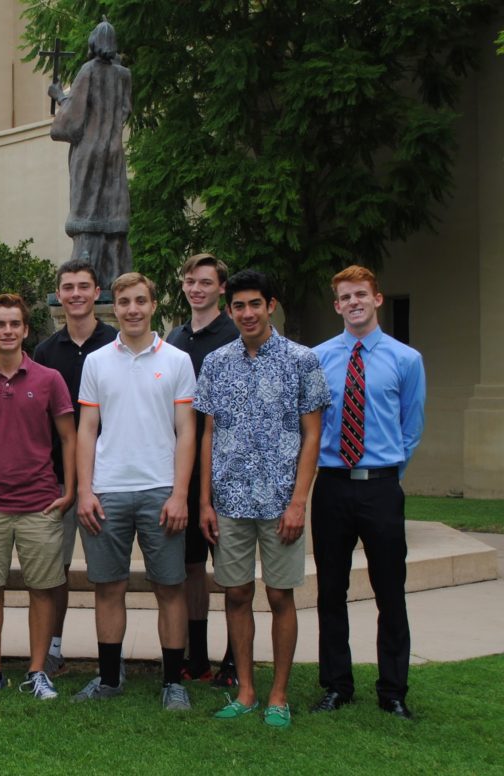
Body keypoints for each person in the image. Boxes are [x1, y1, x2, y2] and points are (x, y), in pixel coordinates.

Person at [194, 269, 329, 728]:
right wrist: (204, 502)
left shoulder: (301, 360)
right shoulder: (216, 363)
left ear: (270, 305)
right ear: (229, 310)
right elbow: (208, 433)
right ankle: (246, 691)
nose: (247, 313)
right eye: (239, 306)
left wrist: (298, 502)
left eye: (255, 304)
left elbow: (312, 436)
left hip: (279, 502)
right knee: (235, 593)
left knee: (278, 595)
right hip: (230, 500)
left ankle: (278, 694)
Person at [72, 273, 197, 709]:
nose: (132, 309)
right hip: (107, 491)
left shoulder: (178, 360)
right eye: (124, 302)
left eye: (140, 300)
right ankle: (109, 680)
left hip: (161, 491)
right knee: (108, 587)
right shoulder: (97, 362)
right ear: (115, 307)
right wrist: (85, 491)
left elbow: (186, 432)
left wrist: (180, 494)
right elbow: (86, 430)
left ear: (154, 303)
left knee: (170, 588)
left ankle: (172, 683)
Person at [310, 265, 426, 720]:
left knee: (389, 591)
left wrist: (387, 471)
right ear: (336, 305)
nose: (354, 302)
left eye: (362, 294)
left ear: (377, 299)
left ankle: (393, 690)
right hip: (332, 486)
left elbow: (411, 427)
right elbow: (311, 423)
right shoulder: (318, 359)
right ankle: (337, 686)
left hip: (380, 487)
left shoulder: (406, 360)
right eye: (345, 296)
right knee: (331, 590)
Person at [0, 294, 76, 701]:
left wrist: (69, 490)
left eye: (14, 324)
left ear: (25, 330)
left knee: (43, 589)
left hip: (40, 502)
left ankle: (38, 672)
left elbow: (69, 438)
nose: (7, 331)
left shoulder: (48, 379)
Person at [33, 258, 116, 677]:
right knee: (54, 570)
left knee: (108, 573)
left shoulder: (118, 344)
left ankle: (110, 660)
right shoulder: (45, 353)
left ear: (97, 292)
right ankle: (54, 647)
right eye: (68, 287)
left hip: (109, 479)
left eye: (84, 286)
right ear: (59, 295)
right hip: (57, 480)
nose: (76, 294)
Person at [165, 253, 240, 687]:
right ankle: (198, 656)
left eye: (206, 282)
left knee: (229, 569)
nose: (196, 288)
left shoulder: (234, 335)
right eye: (190, 281)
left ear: (221, 288)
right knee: (192, 567)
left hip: (226, 473)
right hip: (182, 473)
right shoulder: (174, 338)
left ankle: (234, 657)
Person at [48, 18, 132, 289]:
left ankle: (87, 271)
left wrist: (59, 96)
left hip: (89, 153)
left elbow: (72, 120)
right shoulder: (123, 75)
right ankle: (115, 272)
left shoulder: (89, 71)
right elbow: (124, 111)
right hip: (113, 154)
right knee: (111, 213)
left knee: (86, 212)